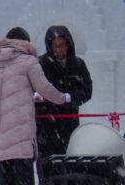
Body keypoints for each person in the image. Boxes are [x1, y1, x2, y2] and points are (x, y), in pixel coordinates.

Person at [0, 27, 68, 185]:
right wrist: (63, 99)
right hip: (21, 131)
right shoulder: (29, 61)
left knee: (3, 184)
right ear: (26, 42)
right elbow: (45, 88)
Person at [35, 25, 93, 162]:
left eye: (62, 45)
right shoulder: (40, 64)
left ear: (68, 44)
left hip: (69, 124)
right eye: (55, 46)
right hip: (45, 126)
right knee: (46, 166)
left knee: (69, 164)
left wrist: (69, 97)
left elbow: (87, 90)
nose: (58, 50)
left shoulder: (78, 64)